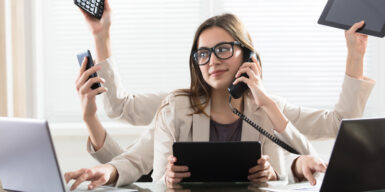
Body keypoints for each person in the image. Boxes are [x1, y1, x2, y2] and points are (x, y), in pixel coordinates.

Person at [64, 0, 375, 190]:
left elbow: (336, 126)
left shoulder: (267, 109)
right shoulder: (175, 107)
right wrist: (160, 179)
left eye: (224, 49)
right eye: (203, 54)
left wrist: (355, 52)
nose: (212, 60)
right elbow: (134, 160)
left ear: (248, 56)